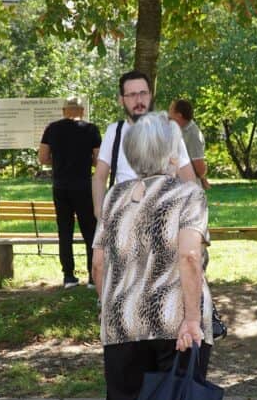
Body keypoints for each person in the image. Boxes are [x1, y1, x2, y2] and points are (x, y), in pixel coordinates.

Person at [92, 112, 214, 400]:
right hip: (174, 320)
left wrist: (110, 305)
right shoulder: (187, 195)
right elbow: (189, 256)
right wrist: (193, 320)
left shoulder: (113, 197)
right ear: (169, 151)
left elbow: (99, 262)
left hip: (121, 319)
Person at [92, 70, 197, 219]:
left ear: (150, 95)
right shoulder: (114, 131)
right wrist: (99, 213)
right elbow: (99, 177)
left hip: (162, 217)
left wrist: (189, 218)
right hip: (124, 217)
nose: (139, 100)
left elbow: (189, 180)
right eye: (132, 95)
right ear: (121, 100)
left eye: (143, 93)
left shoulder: (168, 131)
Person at [39, 97, 102, 288]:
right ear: (82, 111)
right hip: (84, 186)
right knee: (90, 231)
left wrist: (57, 162)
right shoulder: (91, 129)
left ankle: (68, 276)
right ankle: (92, 277)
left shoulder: (52, 128)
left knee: (64, 231)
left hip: (60, 186)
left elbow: (43, 158)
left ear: (64, 111)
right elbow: (98, 160)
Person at [168, 99, 209, 190]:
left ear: (179, 116)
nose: (168, 115)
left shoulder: (192, 134)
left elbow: (200, 169)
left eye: (171, 112)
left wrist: (202, 177)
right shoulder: (179, 130)